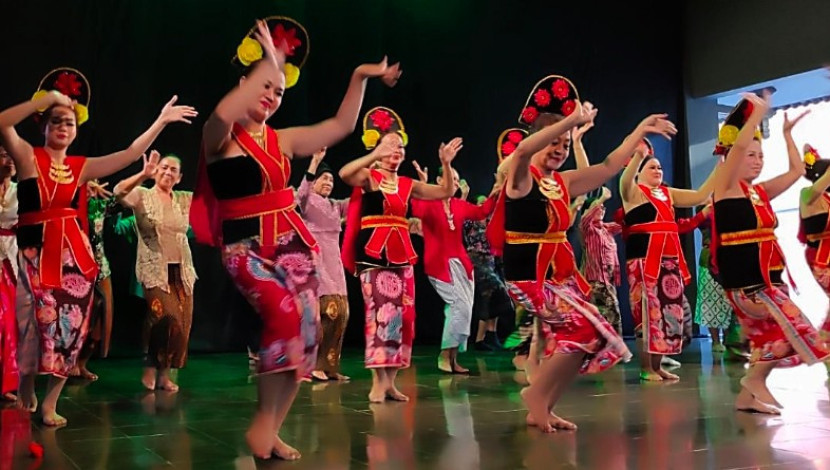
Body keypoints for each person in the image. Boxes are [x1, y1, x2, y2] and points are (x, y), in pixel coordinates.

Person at [190, 17, 399, 460]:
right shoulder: (221, 137)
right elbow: (225, 112)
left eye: (279, 91)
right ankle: (262, 427)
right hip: (245, 250)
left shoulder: (282, 140)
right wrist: (272, 60)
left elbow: (341, 125)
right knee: (285, 319)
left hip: (292, 247)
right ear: (245, 82)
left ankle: (270, 429)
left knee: (307, 334)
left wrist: (361, 76)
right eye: (264, 85)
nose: (270, 95)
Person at [0, 67, 195, 426]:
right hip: (36, 253)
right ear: (43, 125)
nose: (63, 127)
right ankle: (27, 384)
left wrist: (161, 121)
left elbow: (132, 151)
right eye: (56, 121)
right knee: (34, 324)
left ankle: (49, 404)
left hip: (75, 258)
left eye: (70, 123)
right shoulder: (28, 157)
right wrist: (46, 100)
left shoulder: (81, 166)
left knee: (72, 328)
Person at [489, 74, 675, 431]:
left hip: (559, 278)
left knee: (594, 335)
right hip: (529, 277)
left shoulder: (563, 182)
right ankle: (537, 395)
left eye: (563, 144)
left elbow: (607, 167)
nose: (559, 149)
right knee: (584, 329)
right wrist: (571, 121)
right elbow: (525, 149)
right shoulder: (521, 176)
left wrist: (639, 130)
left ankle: (543, 403)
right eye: (553, 143)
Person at [712, 92, 826, 414]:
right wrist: (754, 118)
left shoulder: (759, 192)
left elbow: (794, 171)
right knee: (798, 330)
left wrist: (788, 135)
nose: (758, 160)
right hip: (747, 281)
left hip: (767, 279)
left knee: (769, 340)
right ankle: (754, 381)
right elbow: (734, 151)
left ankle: (747, 396)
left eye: (761, 155)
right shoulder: (726, 186)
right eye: (751, 155)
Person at [340, 106, 459, 401]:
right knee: (380, 316)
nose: (397, 151)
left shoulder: (407, 184)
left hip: (402, 257)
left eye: (400, 146)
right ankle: (377, 382)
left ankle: (391, 381)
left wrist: (445, 164)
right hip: (373, 255)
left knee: (402, 319)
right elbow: (345, 174)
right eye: (391, 146)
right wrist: (375, 154)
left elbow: (445, 191)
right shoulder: (369, 177)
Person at [620, 137, 718, 381]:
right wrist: (639, 156)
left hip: (670, 262)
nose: (658, 170)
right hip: (644, 261)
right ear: (639, 171)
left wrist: (723, 162)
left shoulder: (668, 193)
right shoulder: (633, 192)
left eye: (660, 167)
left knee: (667, 315)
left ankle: (657, 365)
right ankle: (646, 368)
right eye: (652, 166)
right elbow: (624, 179)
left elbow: (701, 195)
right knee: (647, 315)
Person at [115, 150, 196, 392]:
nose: (168, 172)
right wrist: (142, 174)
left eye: (174, 169)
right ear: (156, 171)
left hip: (182, 270)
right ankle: (149, 369)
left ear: (180, 177)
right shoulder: (142, 195)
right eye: (164, 167)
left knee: (182, 324)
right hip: (154, 269)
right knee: (163, 317)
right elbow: (119, 192)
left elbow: (214, 198)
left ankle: (164, 375)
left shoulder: (184, 199)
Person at [410, 162, 498, 373]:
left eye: (457, 180)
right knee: (457, 306)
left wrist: (496, 189)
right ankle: (444, 353)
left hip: (462, 263)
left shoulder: (458, 205)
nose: (455, 183)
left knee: (465, 310)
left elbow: (481, 211)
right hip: (439, 262)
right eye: (451, 179)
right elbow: (417, 210)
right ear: (440, 181)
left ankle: (454, 357)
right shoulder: (430, 204)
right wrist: (422, 186)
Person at [296, 147, 351, 382]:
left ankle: (330, 366)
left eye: (331, 179)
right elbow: (300, 194)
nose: (328, 182)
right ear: (315, 181)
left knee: (342, 314)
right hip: (316, 262)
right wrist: (315, 161)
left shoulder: (335, 206)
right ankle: (311, 366)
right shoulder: (308, 202)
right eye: (324, 178)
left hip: (334, 263)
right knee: (324, 313)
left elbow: (358, 201)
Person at [72, 179, 117, 381]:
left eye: (92, 186)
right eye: (85, 187)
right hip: (76, 271)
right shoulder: (70, 207)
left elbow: (121, 197)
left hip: (101, 269)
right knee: (76, 322)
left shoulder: (100, 207)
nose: (88, 191)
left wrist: (143, 175)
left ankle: (82, 364)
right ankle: (69, 364)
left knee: (100, 323)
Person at [798, 144, 830, 370]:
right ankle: (822, 344)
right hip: (820, 258)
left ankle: (824, 345)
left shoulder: (826, 199)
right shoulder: (808, 195)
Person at [0, 146, 18, 402]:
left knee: (13, 324)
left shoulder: (21, 189)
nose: (9, 159)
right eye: (3, 155)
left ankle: (8, 383)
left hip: (13, 262)